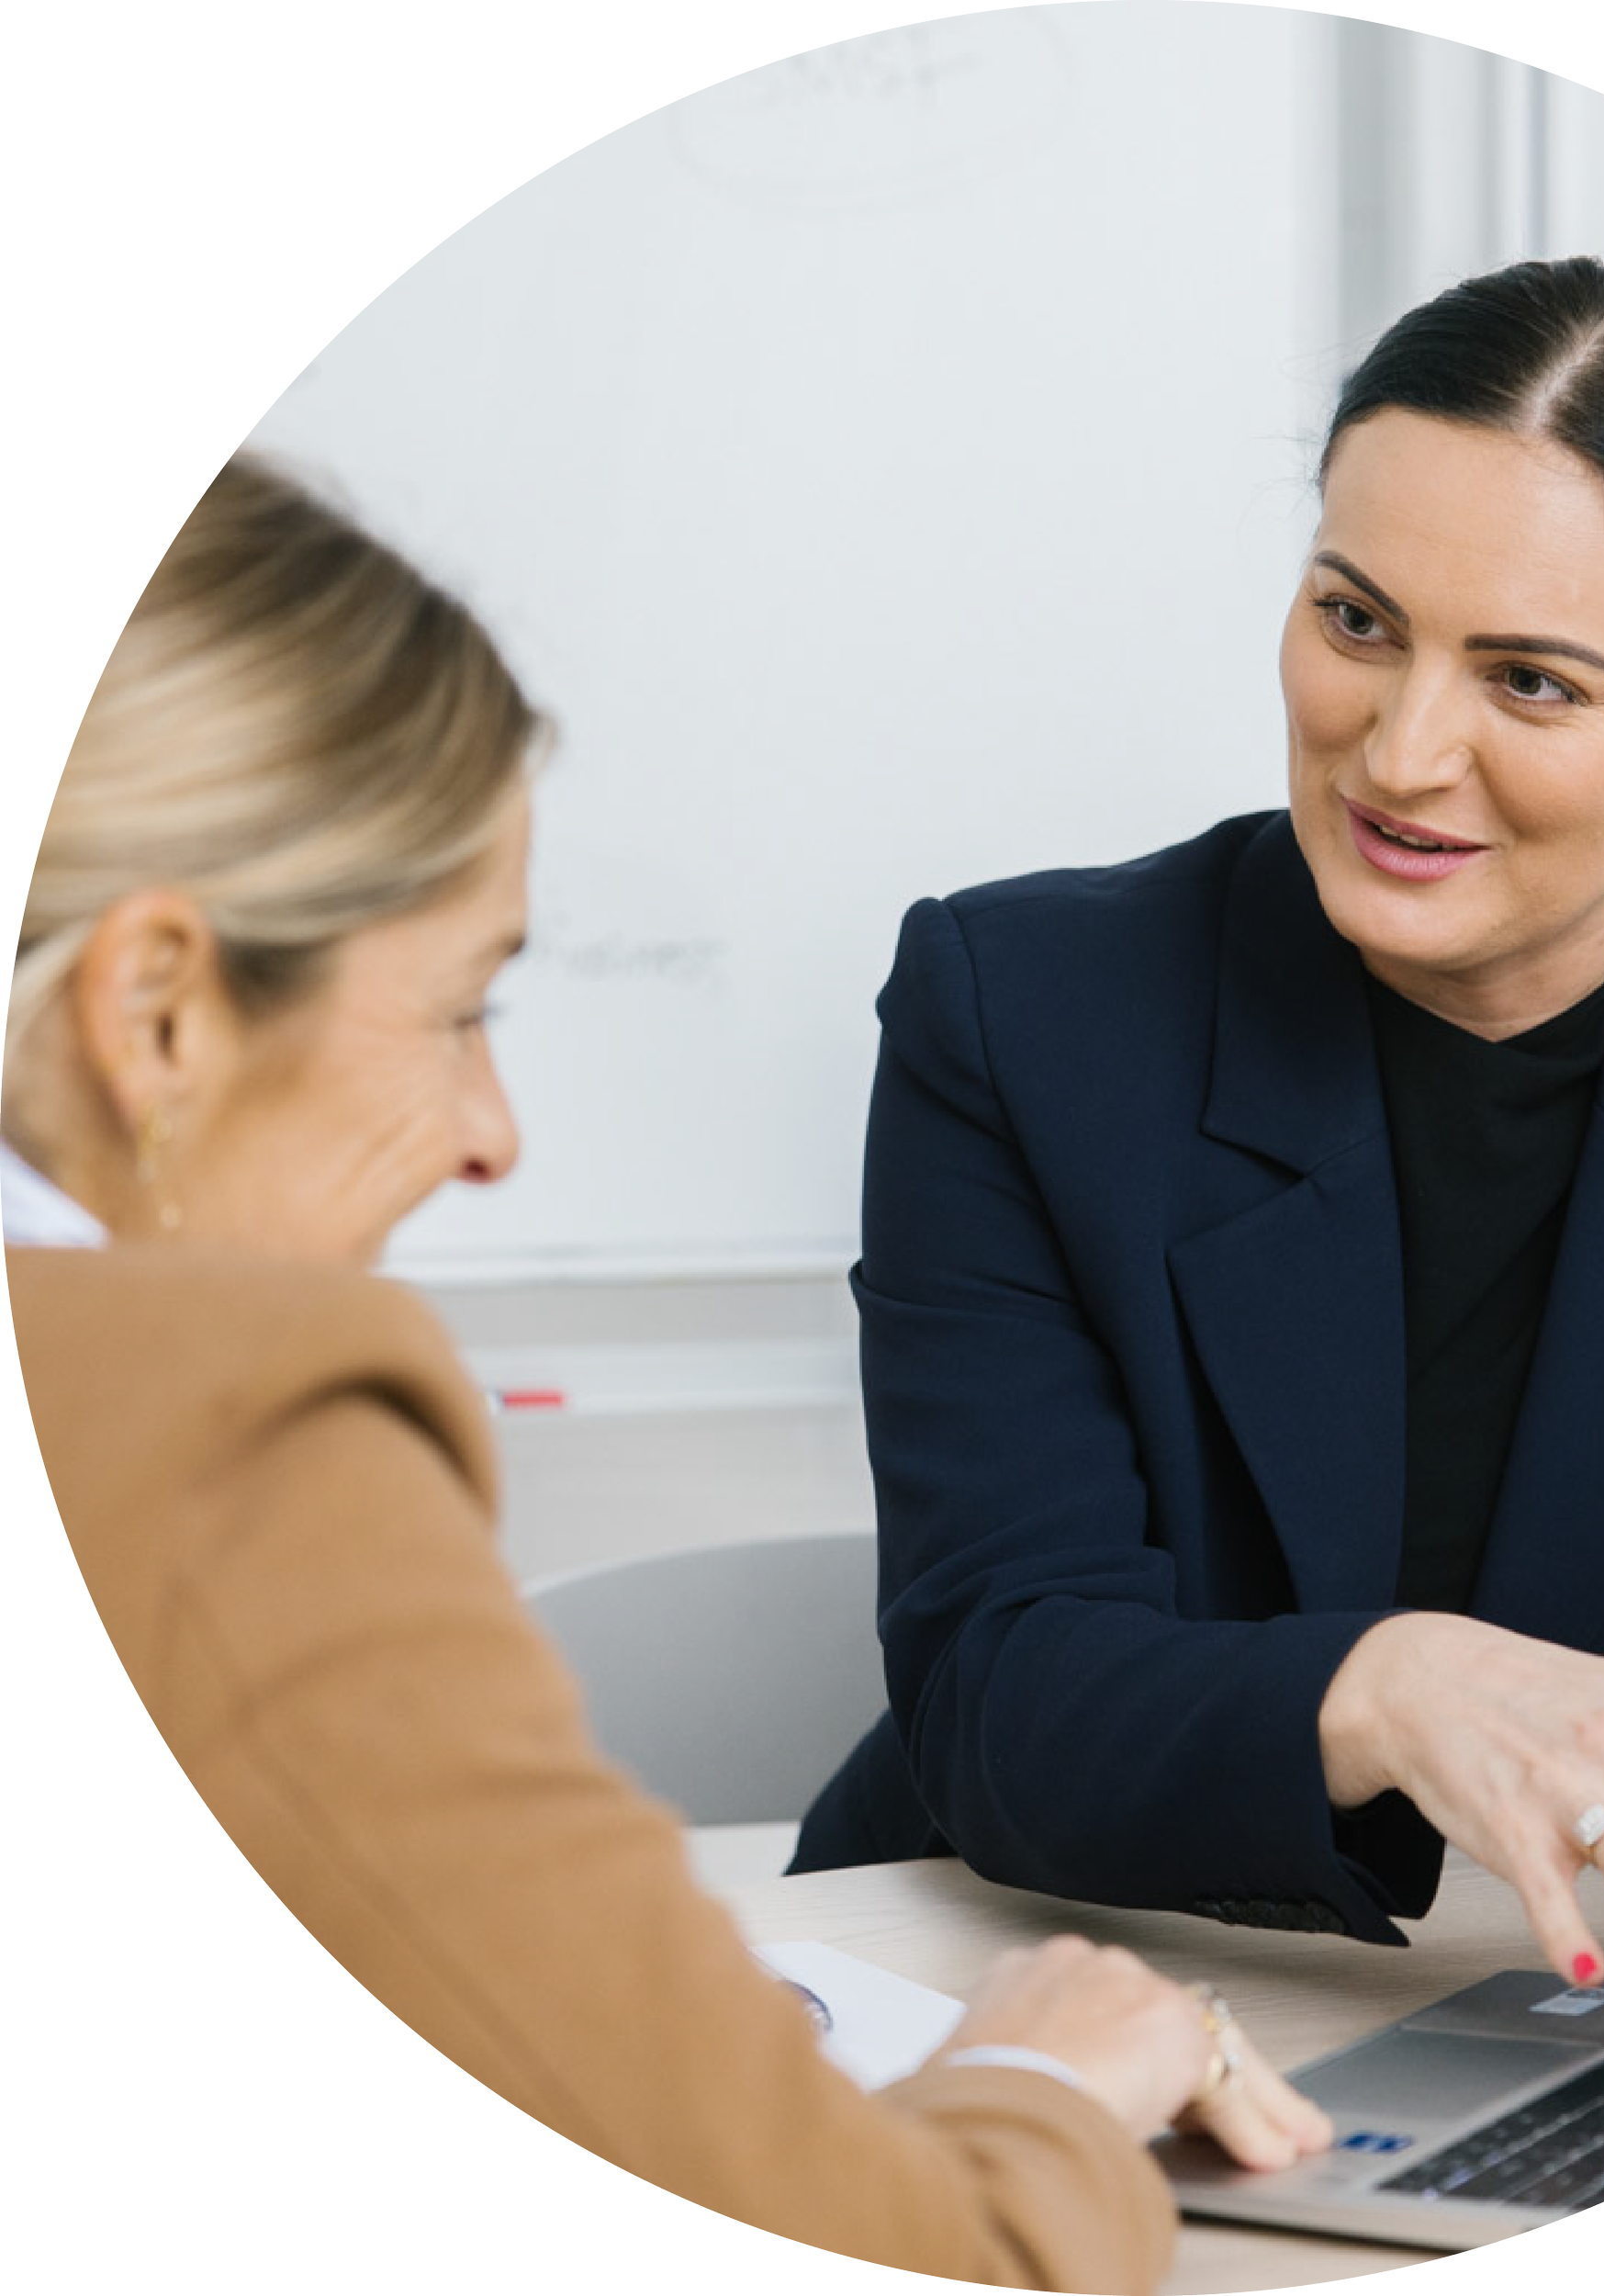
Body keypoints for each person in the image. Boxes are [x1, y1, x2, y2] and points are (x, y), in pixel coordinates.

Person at [1, 456, 1328, 2295]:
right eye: (462, 1006)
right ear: (156, 1011)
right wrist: (1038, 2073)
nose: (493, 1135)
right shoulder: (222, 1432)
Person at [794, 257, 1604, 2002]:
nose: (1400, 753)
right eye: (1355, 620)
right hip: (1063, 1971)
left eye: (1531, 683)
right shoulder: (1024, 1009)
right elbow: (1000, 1685)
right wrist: (1383, 1684)